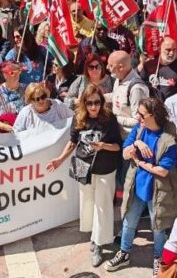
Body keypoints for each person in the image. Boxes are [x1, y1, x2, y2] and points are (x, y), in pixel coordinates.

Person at [47, 85, 122, 267]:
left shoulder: (109, 119)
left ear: (102, 102)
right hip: (83, 167)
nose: (93, 107)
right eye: (89, 103)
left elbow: (118, 147)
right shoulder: (79, 117)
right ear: (84, 103)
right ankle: (94, 235)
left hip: (105, 168)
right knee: (87, 203)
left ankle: (99, 244)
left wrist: (103, 146)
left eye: (97, 102)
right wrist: (60, 160)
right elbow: (73, 142)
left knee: (103, 206)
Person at [104, 98, 177, 273]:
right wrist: (136, 143)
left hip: (158, 190)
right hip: (137, 187)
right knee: (129, 221)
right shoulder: (139, 129)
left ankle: (159, 259)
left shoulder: (168, 138)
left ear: (153, 115)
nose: (137, 117)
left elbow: (163, 171)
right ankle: (124, 253)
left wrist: (139, 162)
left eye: (141, 114)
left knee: (158, 227)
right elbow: (125, 153)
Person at [108, 50, 150, 136]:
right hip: (118, 133)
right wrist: (98, 96)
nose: (107, 67)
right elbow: (116, 96)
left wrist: (114, 119)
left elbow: (139, 120)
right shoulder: (119, 78)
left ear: (121, 67)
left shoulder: (136, 88)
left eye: (111, 65)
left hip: (130, 137)